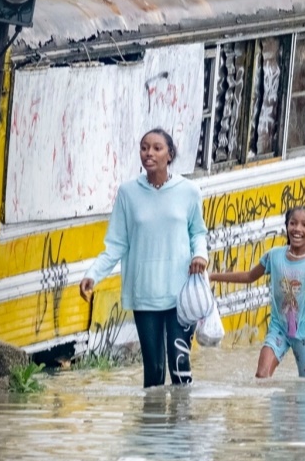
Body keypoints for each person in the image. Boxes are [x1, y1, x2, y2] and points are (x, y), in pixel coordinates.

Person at [78, 128, 209, 388]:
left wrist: (200, 255)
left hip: (181, 294)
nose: (149, 153)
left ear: (169, 155)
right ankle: (154, 426)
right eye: (144, 147)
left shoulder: (189, 191)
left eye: (157, 148)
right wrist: (93, 274)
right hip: (144, 292)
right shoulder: (128, 193)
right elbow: (116, 243)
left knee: (180, 365)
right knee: (153, 370)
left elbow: (198, 233)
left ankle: (182, 427)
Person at [208, 206, 305, 378]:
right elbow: (249, 276)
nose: (297, 229)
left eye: (304, 225)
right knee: (262, 376)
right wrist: (211, 276)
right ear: (287, 226)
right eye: (293, 223)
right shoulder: (274, 256)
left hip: (304, 334)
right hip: (278, 330)